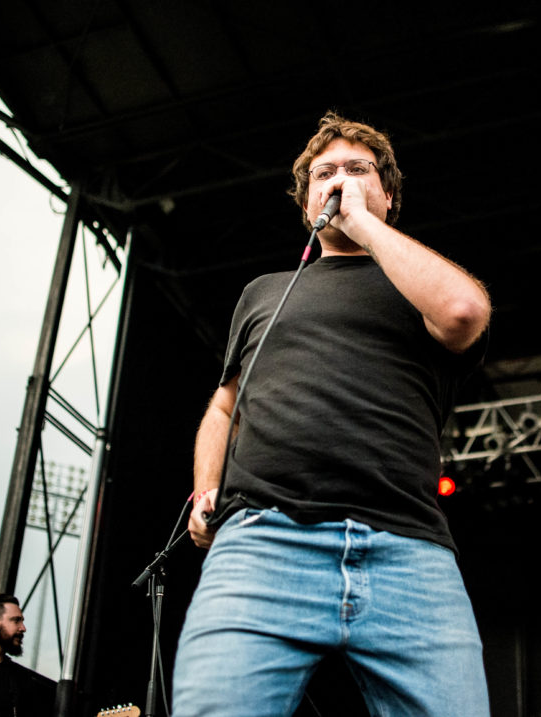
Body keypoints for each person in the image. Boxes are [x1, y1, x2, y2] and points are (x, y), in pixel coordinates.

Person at [170, 111, 492, 716]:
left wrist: (363, 224)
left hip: (407, 549)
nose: (339, 180)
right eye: (324, 174)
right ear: (306, 204)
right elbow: (224, 405)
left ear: (388, 195)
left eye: (357, 169)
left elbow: (463, 312)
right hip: (263, 541)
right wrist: (206, 487)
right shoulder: (264, 292)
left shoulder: (417, 283)